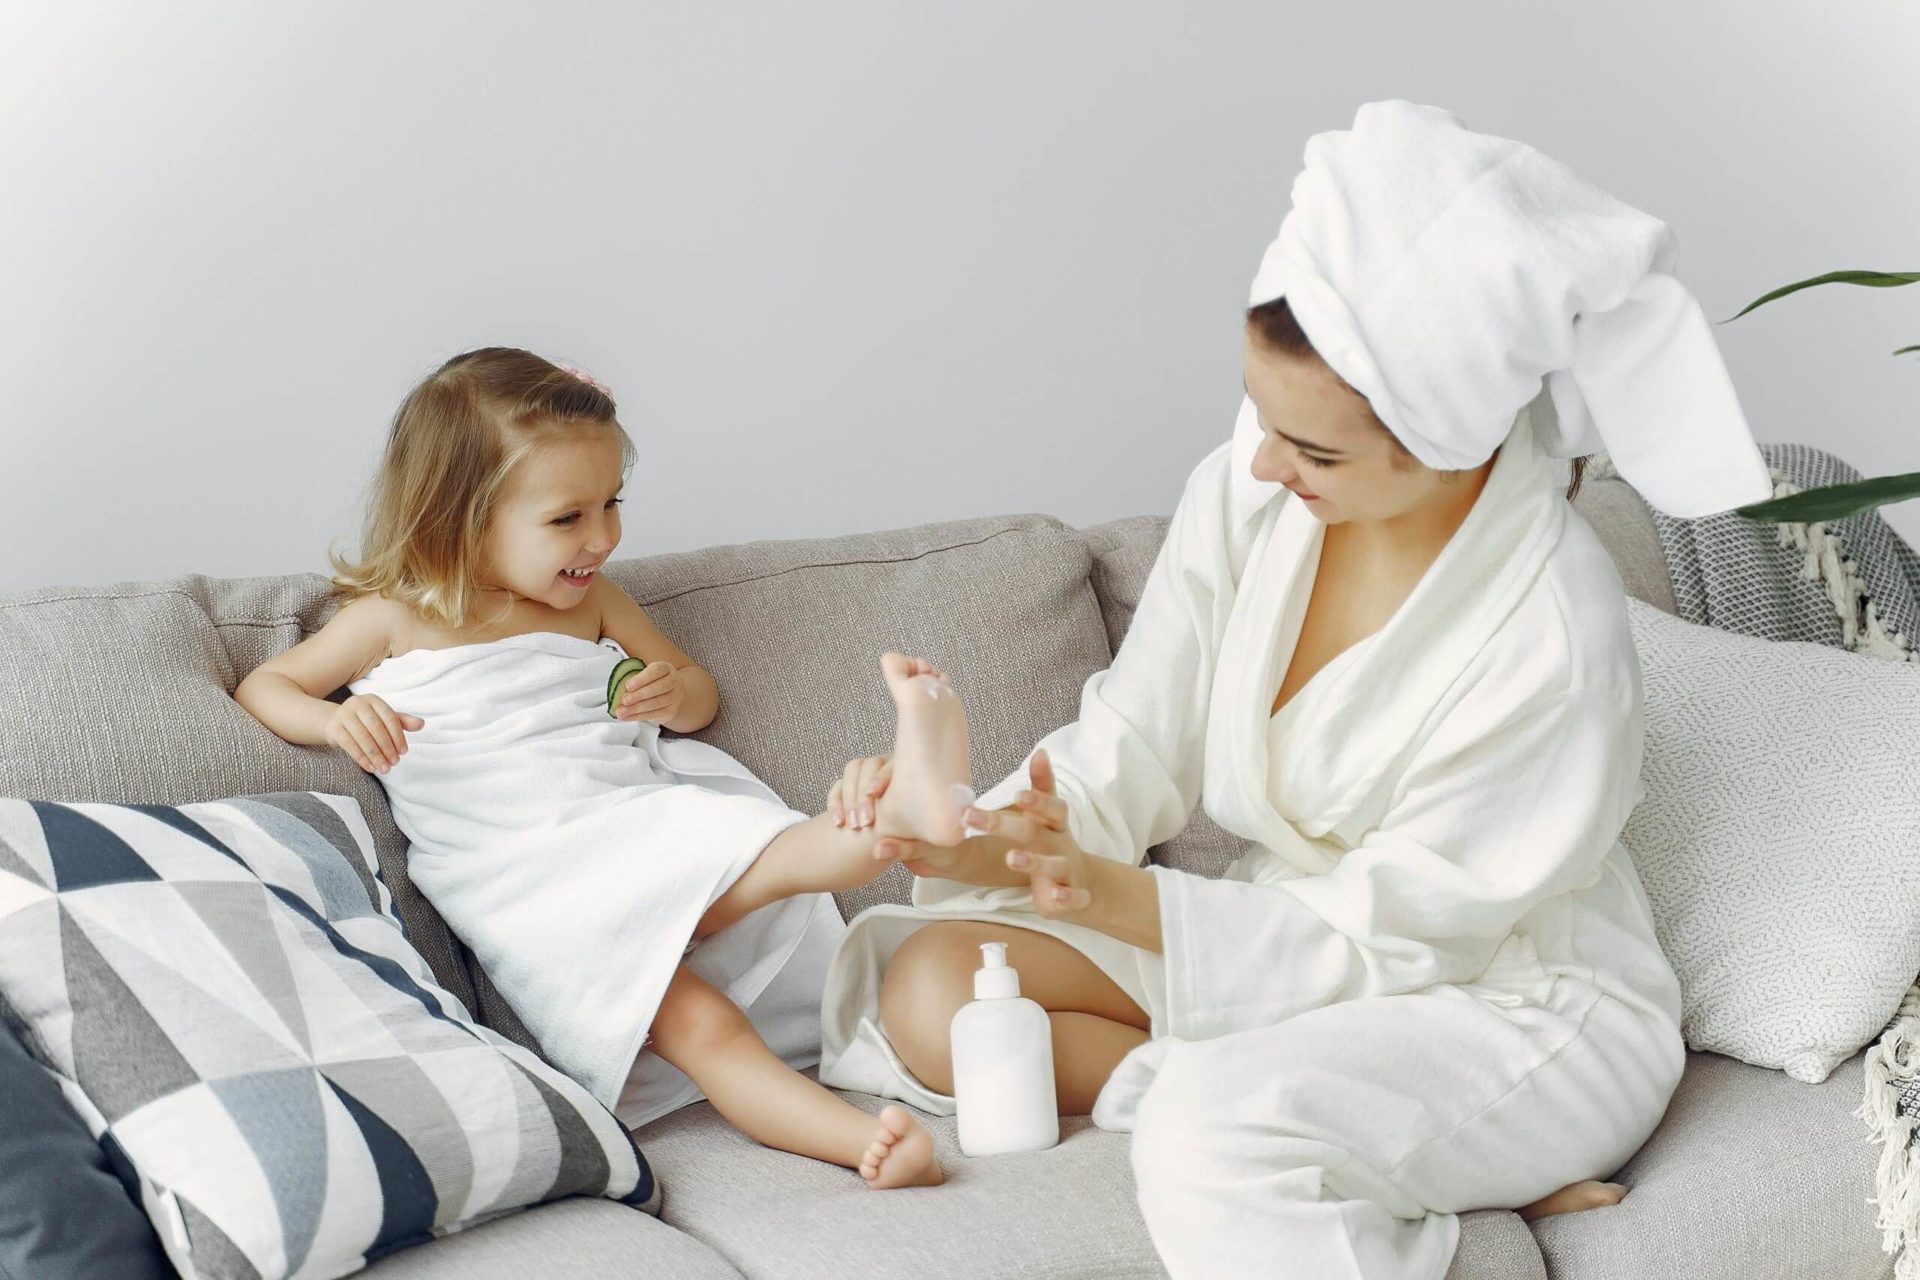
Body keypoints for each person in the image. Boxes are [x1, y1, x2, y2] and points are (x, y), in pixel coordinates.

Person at [813, 99, 1774, 1276]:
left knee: (1209, 1132)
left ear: (1452, 441)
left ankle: (1419, 1143)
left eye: (1314, 450)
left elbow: (1394, 938)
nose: (1263, 465)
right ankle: (1401, 1168)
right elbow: (1134, 735)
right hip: (1292, 945)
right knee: (935, 982)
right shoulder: (1253, 487)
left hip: (1500, 999)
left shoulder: (1550, 631)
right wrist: (982, 840)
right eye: (1263, 421)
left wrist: (1121, 899)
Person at [233, 347, 982, 1189]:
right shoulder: (394, 619)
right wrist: (336, 718)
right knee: (702, 1029)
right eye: (568, 518)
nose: (603, 538)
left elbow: (697, 696)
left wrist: (670, 695)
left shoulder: (596, 603)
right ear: (458, 517)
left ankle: (900, 827)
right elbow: (268, 685)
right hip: (529, 877)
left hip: (623, 820)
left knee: (740, 853)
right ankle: (861, 1138)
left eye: (612, 504)